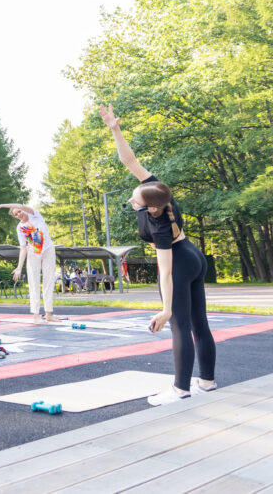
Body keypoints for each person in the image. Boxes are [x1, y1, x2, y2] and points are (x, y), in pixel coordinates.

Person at [100, 103, 216, 405]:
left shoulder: (160, 225)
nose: (133, 194)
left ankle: (180, 390)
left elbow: (165, 271)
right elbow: (129, 160)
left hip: (179, 260)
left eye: (136, 196)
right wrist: (115, 129)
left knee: (180, 324)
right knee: (199, 323)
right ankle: (207, 382)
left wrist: (165, 311)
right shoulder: (159, 193)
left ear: (149, 207)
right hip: (193, 256)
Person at [0, 201, 58, 323]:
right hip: (33, 252)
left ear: (23, 210)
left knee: (48, 281)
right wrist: (19, 267)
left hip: (48, 249)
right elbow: (23, 248)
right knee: (34, 282)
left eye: (19, 211)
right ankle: (36, 315)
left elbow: (20, 205)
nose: (19, 214)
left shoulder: (35, 215)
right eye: (16, 214)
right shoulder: (20, 228)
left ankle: (49, 314)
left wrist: (1, 206)